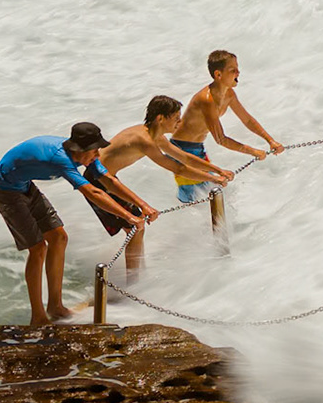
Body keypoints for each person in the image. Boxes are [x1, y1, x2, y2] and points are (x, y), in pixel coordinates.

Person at [0, 122, 143, 325]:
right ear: (81, 149)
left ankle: (56, 307)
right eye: (95, 150)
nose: (98, 155)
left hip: (25, 186)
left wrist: (143, 206)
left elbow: (109, 181)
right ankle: (38, 316)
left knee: (59, 237)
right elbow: (93, 192)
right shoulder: (61, 159)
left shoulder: (86, 157)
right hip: (4, 191)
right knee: (38, 248)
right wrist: (129, 217)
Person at [87, 95, 237, 277]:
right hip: (97, 181)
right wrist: (213, 179)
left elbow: (185, 157)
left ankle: (136, 277)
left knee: (136, 228)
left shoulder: (156, 136)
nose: (180, 122)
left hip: (110, 179)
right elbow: (177, 167)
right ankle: (133, 282)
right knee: (135, 228)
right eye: (175, 118)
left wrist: (218, 170)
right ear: (160, 118)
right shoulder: (143, 140)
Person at [169, 50, 285, 204]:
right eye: (233, 70)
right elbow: (221, 139)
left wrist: (270, 141)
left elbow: (247, 120)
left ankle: (211, 224)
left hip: (197, 148)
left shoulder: (229, 94)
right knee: (194, 197)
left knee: (211, 189)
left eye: (237, 68)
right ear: (218, 75)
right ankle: (184, 223)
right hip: (181, 149)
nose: (238, 72)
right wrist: (252, 151)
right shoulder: (207, 100)